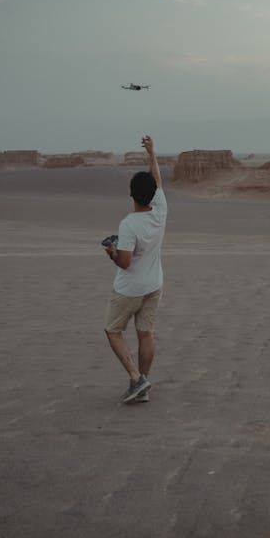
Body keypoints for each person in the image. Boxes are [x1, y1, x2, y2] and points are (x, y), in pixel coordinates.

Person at [103, 135, 167, 404]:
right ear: (152, 194)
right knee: (146, 333)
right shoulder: (161, 209)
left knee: (112, 330)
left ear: (131, 194)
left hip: (130, 288)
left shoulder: (129, 224)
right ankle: (143, 384)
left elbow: (125, 262)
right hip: (154, 284)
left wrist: (112, 254)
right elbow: (157, 180)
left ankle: (135, 377)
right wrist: (152, 153)